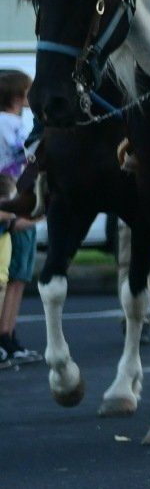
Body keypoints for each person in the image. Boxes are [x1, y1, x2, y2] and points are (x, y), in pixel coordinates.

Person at [0, 69, 38, 367]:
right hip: (12, 198)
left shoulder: (14, 123)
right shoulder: (9, 124)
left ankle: (9, 336)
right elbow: (28, 152)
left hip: (15, 196)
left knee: (17, 277)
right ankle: (5, 335)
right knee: (13, 276)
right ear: (17, 96)